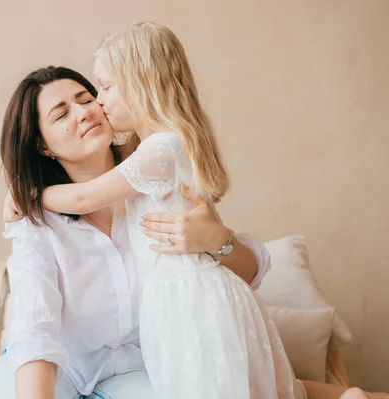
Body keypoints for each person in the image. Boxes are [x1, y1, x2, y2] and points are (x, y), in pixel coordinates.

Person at [0, 65, 388, 399]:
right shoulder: (34, 217)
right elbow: (35, 329)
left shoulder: (159, 178)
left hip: (141, 368)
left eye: (85, 97)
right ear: (42, 146)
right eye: (61, 113)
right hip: (58, 372)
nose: (83, 112)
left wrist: (216, 241)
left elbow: (249, 274)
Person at [39, 22, 300, 398]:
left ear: (143, 83)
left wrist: (32, 193)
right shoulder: (159, 147)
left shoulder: (161, 149)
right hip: (181, 302)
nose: (99, 100)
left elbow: (83, 198)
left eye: (107, 87)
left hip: (192, 301)